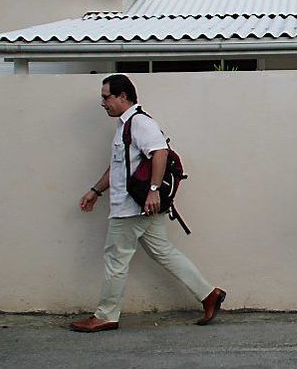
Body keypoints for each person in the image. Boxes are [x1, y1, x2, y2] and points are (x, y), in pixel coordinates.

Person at [70, 74, 226, 332]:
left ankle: (106, 315)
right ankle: (209, 294)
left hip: (132, 208)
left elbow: (160, 152)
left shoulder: (139, 122)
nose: (102, 103)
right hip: (138, 206)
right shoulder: (125, 126)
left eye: (105, 97)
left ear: (122, 96)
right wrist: (96, 191)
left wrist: (153, 190)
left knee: (116, 259)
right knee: (164, 252)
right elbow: (120, 167)